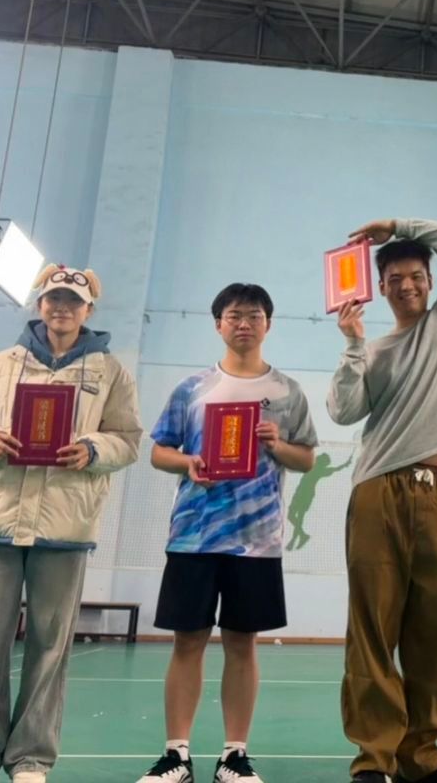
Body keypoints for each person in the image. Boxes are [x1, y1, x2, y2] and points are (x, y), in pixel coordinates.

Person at [0, 265, 142, 783]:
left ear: (88, 310)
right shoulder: (2, 364)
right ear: (40, 305)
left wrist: (93, 449)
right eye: (54, 298)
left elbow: (127, 439)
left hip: (65, 526)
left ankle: (31, 757)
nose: (62, 308)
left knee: (51, 646)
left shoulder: (111, 373)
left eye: (73, 301)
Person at [137, 283, 319, 783]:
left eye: (254, 315)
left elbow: (306, 458)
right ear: (218, 324)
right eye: (234, 315)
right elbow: (158, 451)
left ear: (268, 324)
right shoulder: (192, 388)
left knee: (243, 644)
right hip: (193, 537)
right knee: (187, 642)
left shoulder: (287, 392)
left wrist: (278, 445)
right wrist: (188, 463)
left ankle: (234, 756)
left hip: (257, 541)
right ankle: (176, 756)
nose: (244, 323)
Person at [328, 218, 437, 783]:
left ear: (431, 280)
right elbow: (343, 411)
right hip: (379, 490)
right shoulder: (374, 349)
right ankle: (374, 758)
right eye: (394, 279)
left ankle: (422, 756)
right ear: (381, 288)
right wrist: (352, 344)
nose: (407, 285)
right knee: (372, 627)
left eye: (416, 275)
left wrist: (395, 227)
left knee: (435, 627)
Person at [286, 448, 355, 552]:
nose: (317, 458)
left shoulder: (320, 470)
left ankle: (294, 540)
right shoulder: (311, 466)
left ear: (322, 462)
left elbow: (335, 469)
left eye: (320, 458)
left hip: (306, 495)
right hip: (299, 492)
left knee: (299, 518)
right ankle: (303, 535)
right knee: (291, 515)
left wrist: (345, 464)